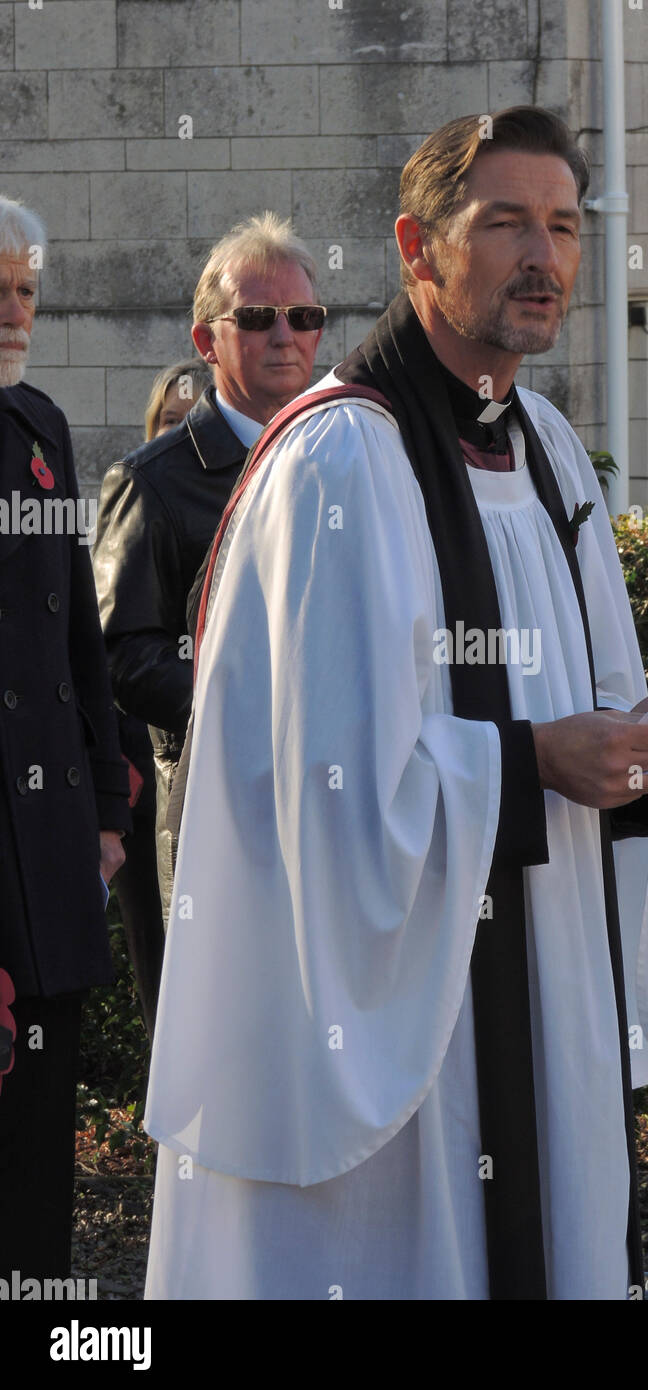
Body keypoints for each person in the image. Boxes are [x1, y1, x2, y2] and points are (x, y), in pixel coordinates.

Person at [144, 106, 648, 1301]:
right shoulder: (341, 462)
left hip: (543, 960)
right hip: (397, 1008)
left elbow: (597, 687)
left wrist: (641, 744)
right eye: (503, 224)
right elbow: (317, 783)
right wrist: (535, 758)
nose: (542, 256)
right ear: (416, 245)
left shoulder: (544, 443)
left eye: (561, 225)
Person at [93, 214, 323, 930]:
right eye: (256, 317)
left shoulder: (348, 460)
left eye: (303, 315)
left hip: (334, 810)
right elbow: (122, 652)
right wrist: (255, 708)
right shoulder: (152, 481)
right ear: (206, 341)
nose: (283, 335)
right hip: (213, 816)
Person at [0, 196, 130, 1277]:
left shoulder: (39, 424)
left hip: (48, 847)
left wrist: (105, 809)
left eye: (27, 292)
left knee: (42, 1140)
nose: (14, 312)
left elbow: (77, 639)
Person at [111, 359, 212, 1036]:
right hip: (147, 763)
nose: (180, 436)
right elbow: (119, 654)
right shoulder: (141, 492)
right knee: (159, 939)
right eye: (170, 423)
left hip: (226, 767)